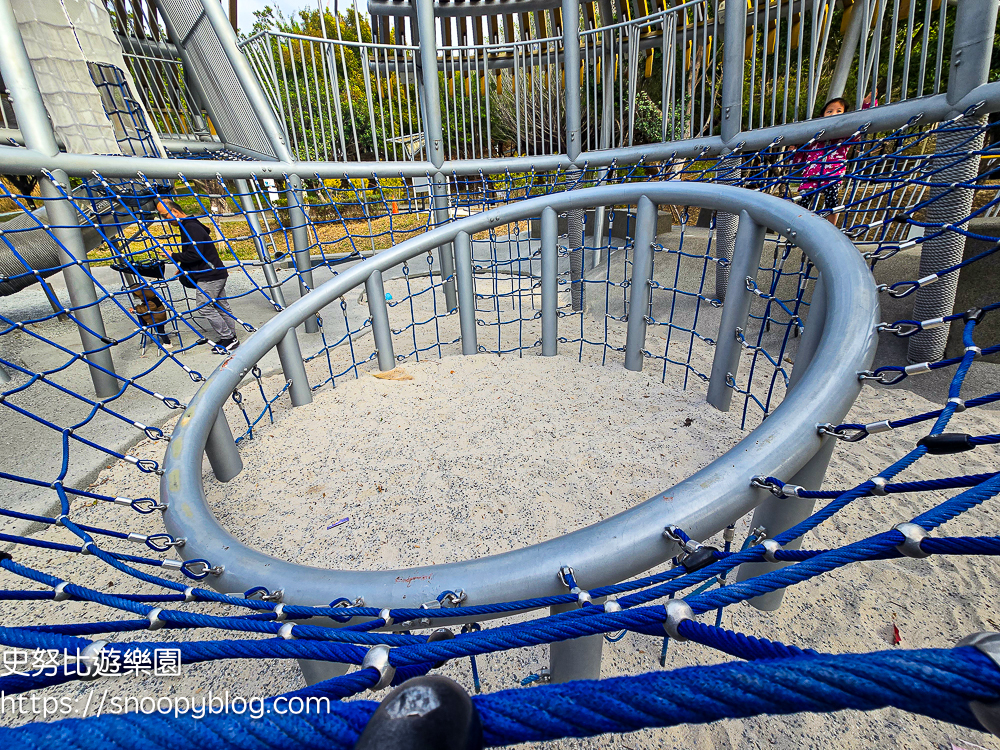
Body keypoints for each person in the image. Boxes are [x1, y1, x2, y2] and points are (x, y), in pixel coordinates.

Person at [155, 198, 240, 352]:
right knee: (221, 306)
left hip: (209, 274)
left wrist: (173, 255)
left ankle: (228, 337)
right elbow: (195, 252)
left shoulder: (191, 227)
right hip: (214, 272)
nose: (165, 220)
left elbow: (195, 254)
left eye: (164, 215)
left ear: (174, 211)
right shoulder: (189, 225)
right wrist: (184, 267)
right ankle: (231, 337)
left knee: (204, 306)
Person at [791, 97, 852, 225]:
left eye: (838, 111)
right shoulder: (815, 139)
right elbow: (799, 159)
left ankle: (832, 228)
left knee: (831, 201)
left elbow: (862, 123)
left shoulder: (844, 136)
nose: (833, 114)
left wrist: (868, 103)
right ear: (822, 115)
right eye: (829, 111)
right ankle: (798, 228)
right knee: (802, 203)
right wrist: (793, 151)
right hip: (811, 175)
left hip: (832, 173)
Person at [128, 283, 172, 349]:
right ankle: (143, 326)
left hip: (158, 319)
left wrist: (136, 309)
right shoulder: (149, 300)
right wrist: (135, 309)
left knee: (160, 331)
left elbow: (146, 309)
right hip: (154, 316)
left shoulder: (152, 302)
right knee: (140, 315)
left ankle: (167, 343)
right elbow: (144, 307)